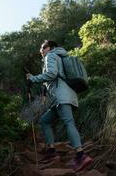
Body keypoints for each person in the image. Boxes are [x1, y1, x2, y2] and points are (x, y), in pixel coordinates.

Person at [26, 40, 92, 172]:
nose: (41, 50)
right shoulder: (60, 56)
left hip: (62, 97)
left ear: (49, 48)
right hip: (64, 97)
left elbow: (52, 74)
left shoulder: (51, 55)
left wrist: (33, 78)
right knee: (45, 121)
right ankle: (51, 151)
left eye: (42, 47)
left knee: (68, 122)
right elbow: (54, 77)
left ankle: (81, 155)